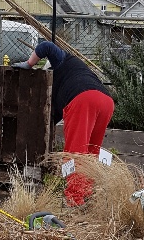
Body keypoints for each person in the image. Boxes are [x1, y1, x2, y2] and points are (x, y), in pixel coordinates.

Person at [26, 39, 114, 204]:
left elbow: (45, 46)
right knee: (91, 153)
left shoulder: (62, 61)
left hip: (83, 99)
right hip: (106, 101)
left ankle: (74, 199)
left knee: (74, 154)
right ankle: (87, 193)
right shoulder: (71, 77)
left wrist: (29, 64)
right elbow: (52, 118)